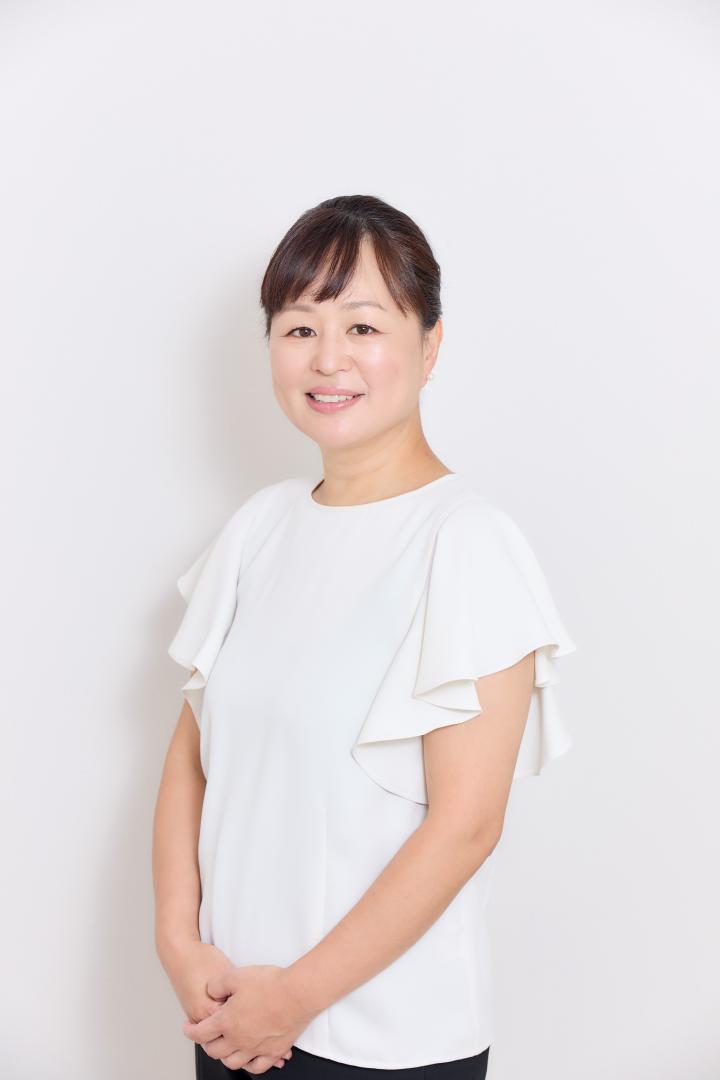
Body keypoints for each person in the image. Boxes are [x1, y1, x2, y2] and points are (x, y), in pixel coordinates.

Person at [152, 194, 577, 1078]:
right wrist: (178, 944)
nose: (328, 358)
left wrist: (295, 998)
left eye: (363, 326)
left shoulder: (467, 541)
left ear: (431, 345)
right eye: (299, 328)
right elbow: (192, 759)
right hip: (229, 1014)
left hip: (387, 1042)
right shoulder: (259, 528)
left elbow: (467, 825)